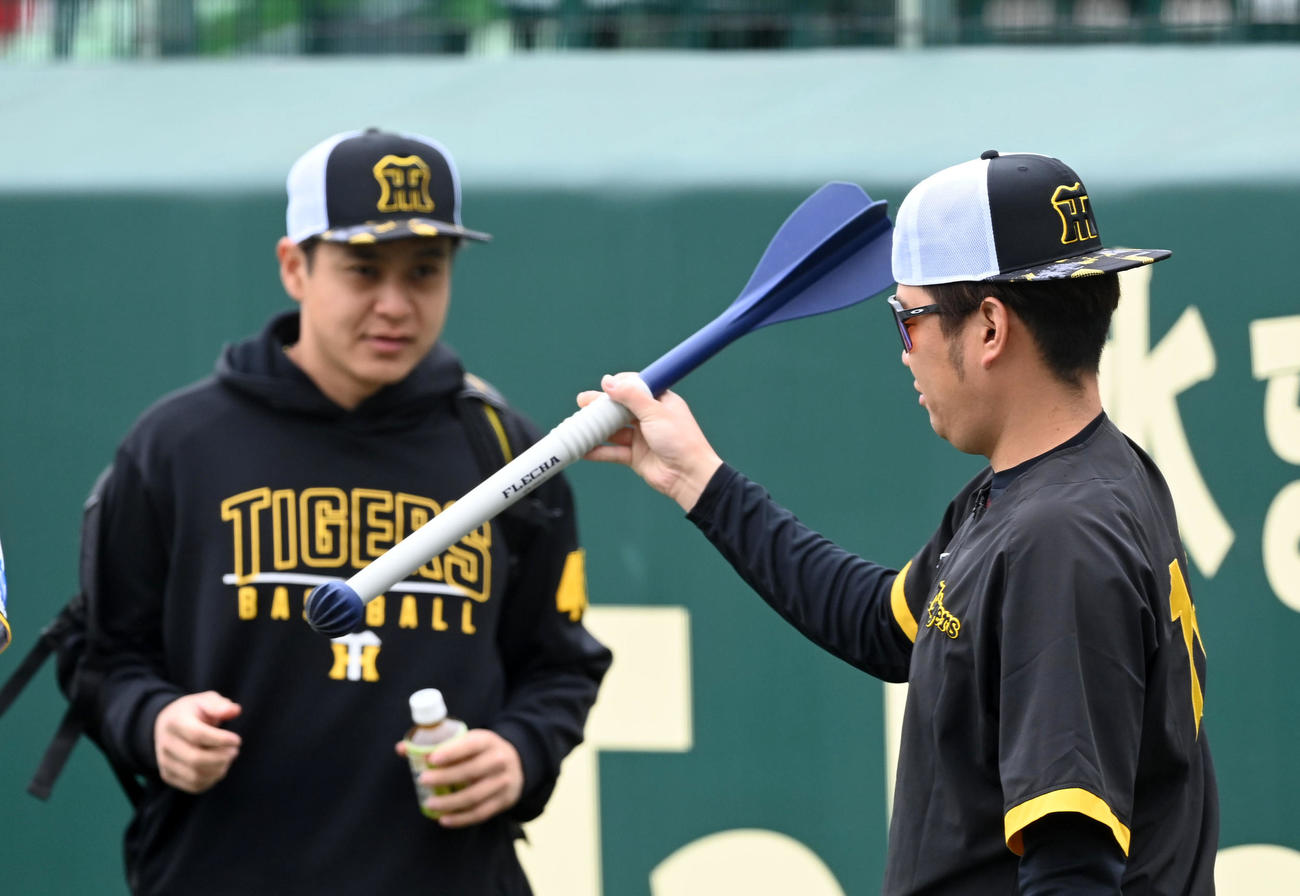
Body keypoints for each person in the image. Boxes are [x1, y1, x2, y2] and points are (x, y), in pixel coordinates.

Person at [581, 150, 1217, 894]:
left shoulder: (1057, 538)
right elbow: (884, 627)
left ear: (988, 328)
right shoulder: (1069, 482)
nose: (905, 354)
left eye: (907, 318)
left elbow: (1072, 870)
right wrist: (696, 478)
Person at [87, 128, 611, 895]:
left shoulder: (505, 450)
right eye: (363, 269)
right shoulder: (176, 445)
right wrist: (154, 722)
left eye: (425, 271)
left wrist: (518, 752)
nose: (395, 305)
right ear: (294, 266)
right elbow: (104, 657)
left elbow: (561, 664)